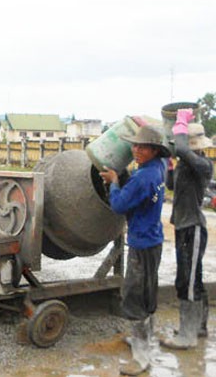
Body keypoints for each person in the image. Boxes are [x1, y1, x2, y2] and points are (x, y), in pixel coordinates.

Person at [100, 124, 170, 376]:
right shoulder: (159, 168)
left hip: (141, 243)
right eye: (135, 145)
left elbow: (118, 205)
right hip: (154, 240)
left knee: (133, 295)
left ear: (154, 150)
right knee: (148, 291)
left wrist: (115, 182)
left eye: (142, 147)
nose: (136, 150)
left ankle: (141, 357)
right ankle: (145, 340)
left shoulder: (142, 177)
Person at [161, 109, 214, 350]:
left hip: (193, 229)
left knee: (187, 282)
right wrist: (170, 164)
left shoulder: (203, 164)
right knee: (193, 279)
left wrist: (180, 123)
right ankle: (199, 327)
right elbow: (171, 185)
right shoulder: (185, 164)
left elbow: (182, 149)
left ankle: (187, 335)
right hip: (183, 228)